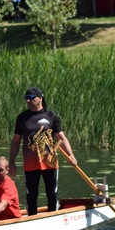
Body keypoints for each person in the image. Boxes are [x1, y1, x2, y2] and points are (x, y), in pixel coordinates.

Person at [9, 86, 78, 215]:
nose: (28, 101)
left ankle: (53, 217)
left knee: (52, 193)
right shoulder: (22, 118)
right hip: (30, 164)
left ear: (40, 98)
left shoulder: (51, 116)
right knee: (31, 195)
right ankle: (31, 219)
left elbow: (61, 138)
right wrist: (11, 162)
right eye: (26, 98)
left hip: (50, 162)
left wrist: (71, 156)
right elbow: (16, 141)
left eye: (31, 98)